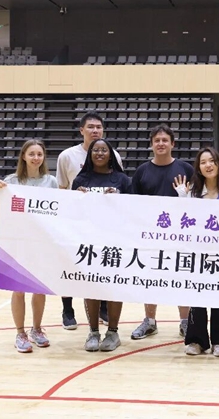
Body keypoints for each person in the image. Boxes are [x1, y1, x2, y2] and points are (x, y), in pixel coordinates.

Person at [56, 112, 122, 330]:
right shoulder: (67, 156)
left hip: (104, 225)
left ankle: (102, 307)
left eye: (99, 127)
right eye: (91, 127)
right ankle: (67, 309)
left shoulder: (114, 155)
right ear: (81, 130)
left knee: (100, 263)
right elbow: (62, 189)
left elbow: (120, 186)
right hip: (75, 222)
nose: (95, 130)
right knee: (70, 264)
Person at [0, 139, 56, 353]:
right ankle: (20, 333)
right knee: (18, 289)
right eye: (32, 154)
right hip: (17, 242)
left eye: (39, 154)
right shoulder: (11, 181)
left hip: (41, 243)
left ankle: (37, 329)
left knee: (39, 289)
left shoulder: (51, 182)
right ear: (24, 157)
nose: (36, 158)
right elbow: (1, 213)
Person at [130, 124, 194, 340]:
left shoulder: (186, 169)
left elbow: (198, 202)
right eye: (156, 140)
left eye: (165, 140)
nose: (160, 143)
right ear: (151, 144)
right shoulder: (142, 171)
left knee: (181, 276)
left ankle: (185, 321)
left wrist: (186, 197)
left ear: (172, 144)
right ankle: (150, 321)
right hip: (151, 235)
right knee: (150, 278)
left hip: (180, 235)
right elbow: (133, 204)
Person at [174, 147, 219, 356]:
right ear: (198, 168)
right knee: (197, 296)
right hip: (198, 253)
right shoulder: (192, 192)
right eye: (203, 162)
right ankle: (197, 340)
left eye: (212, 161)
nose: (208, 165)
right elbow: (184, 219)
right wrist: (181, 198)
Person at [72, 139, 131, 352]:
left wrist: (119, 198)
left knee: (114, 286)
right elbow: (73, 213)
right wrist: (77, 198)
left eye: (103, 150)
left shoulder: (122, 180)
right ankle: (93, 331)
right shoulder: (81, 180)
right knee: (91, 287)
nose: (99, 153)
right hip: (89, 241)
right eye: (95, 150)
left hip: (115, 242)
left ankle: (113, 332)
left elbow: (133, 210)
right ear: (90, 154)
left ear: (110, 154)